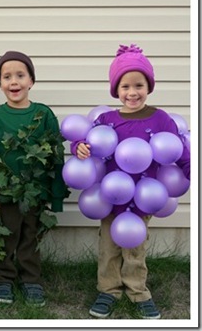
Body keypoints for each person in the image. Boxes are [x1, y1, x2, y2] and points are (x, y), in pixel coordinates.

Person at [72, 44, 190, 319]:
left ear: (149, 87)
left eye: (139, 85)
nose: (132, 92)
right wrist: (79, 145)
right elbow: (86, 141)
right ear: (116, 89)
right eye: (125, 86)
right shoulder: (107, 120)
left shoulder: (160, 119)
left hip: (143, 196)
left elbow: (178, 149)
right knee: (108, 247)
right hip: (111, 196)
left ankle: (138, 291)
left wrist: (189, 167)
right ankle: (108, 290)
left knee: (136, 247)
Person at [0, 51, 68, 306]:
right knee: (7, 235)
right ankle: (4, 279)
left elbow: (56, 156)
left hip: (35, 192)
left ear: (31, 80)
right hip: (6, 193)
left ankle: (31, 279)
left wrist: (55, 197)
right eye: (6, 77)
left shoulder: (44, 115)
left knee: (30, 236)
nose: (14, 82)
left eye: (20, 75)